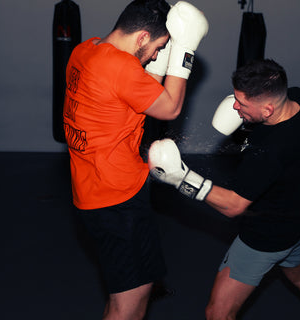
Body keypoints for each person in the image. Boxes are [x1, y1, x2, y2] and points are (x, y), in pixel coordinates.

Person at [148, 59, 300, 320]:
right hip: (297, 222)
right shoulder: (298, 98)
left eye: (242, 104)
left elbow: (235, 205)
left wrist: (183, 179)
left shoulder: (269, 152)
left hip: (265, 237)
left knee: (218, 313)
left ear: (268, 110)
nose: (235, 106)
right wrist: (248, 117)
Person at [62, 1, 208, 319]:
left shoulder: (86, 50)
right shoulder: (120, 68)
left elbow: (137, 92)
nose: (156, 56)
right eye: (157, 48)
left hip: (91, 192)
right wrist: (184, 49)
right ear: (142, 38)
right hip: (118, 202)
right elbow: (169, 108)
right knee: (129, 304)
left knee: (125, 293)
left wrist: (161, 56)